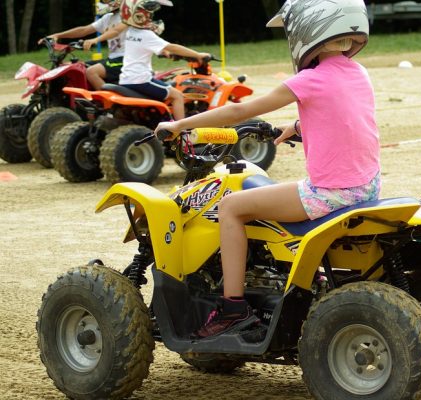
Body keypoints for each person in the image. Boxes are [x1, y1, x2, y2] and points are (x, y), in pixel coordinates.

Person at [154, 0, 380, 339]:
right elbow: (345, 115)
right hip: (367, 186)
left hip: (331, 194)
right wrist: (298, 126)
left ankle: (233, 309)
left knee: (231, 207)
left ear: (307, 30)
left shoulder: (309, 80)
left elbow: (237, 113)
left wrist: (179, 125)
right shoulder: (358, 72)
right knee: (268, 194)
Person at [83, 0, 209, 120]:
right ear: (137, 15)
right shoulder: (146, 34)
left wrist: (168, 54)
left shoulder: (130, 32)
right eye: (147, 13)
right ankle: (181, 133)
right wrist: (198, 55)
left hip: (126, 79)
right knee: (177, 96)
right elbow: (172, 47)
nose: (150, 16)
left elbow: (157, 49)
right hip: (141, 80)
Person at [39, 0, 125, 90]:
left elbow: (115, 31)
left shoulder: (127, 17)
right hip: (112, 59)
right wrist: (57, 35)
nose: (103, 1)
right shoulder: (107, 18)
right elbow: (84, 30)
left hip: (124, 59)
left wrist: (95, 40)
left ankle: (108, 103)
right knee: (73, 68)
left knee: (92, 72)